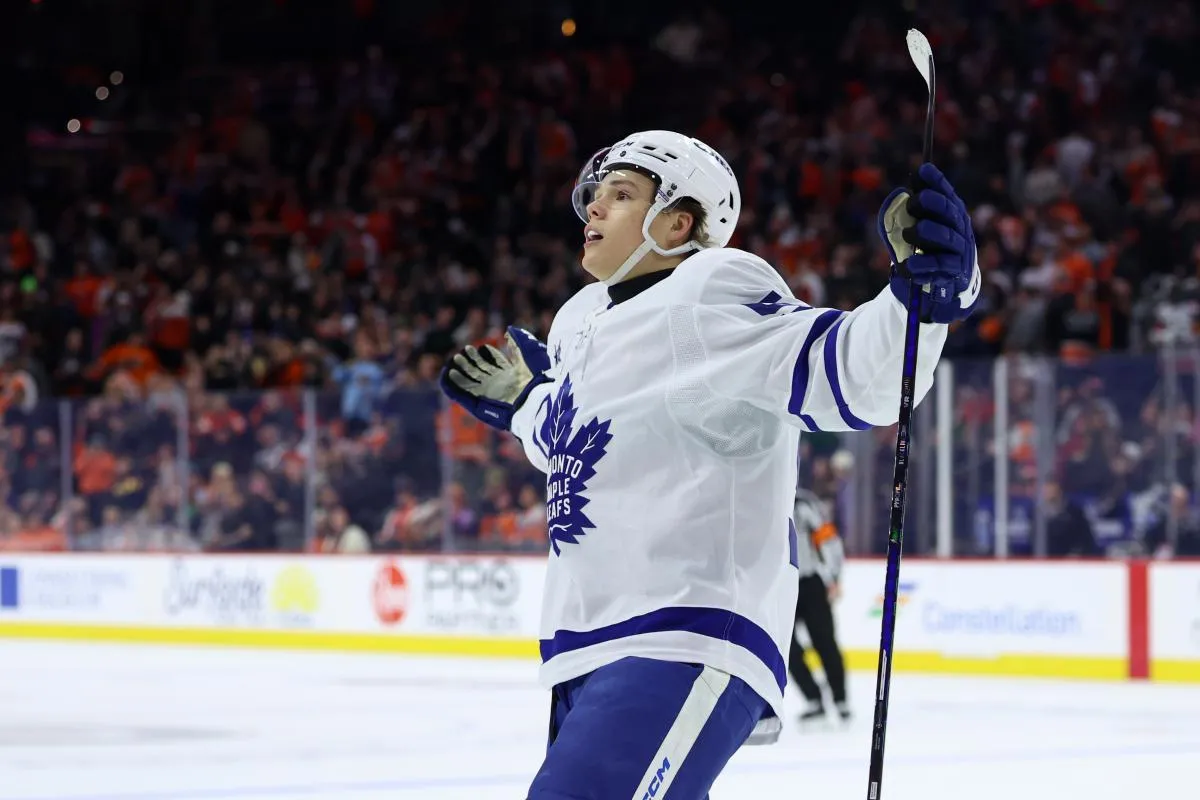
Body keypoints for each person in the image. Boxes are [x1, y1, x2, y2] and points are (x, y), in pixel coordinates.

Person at [439, 130, 980, 800]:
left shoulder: (709, 288)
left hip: (680, 632)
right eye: (595, 197)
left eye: (622, 194)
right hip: (585, 646)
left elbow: (848, 372)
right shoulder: (579, 322)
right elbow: (586, 442)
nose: (593, 211)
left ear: (677, 222)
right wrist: (526, 404)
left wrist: (923, 301)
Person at [787, 488, 850, 728]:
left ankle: (840, 698)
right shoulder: (762, 499)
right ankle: (813, 699)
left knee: (825, 642)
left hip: (809, 583)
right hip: (780, 589)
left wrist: (834, 576)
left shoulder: (803, 503)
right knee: (786, 649)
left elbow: (828, 539)